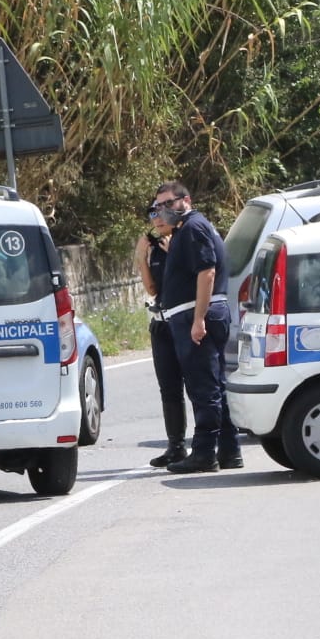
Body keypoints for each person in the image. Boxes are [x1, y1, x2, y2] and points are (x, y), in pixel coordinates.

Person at [153, 181, 241, 473]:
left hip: (197, 314)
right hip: (198, 313)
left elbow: (207, 272)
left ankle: (204, 453)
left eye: (169, 203)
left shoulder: (192, 227)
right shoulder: (190, 228)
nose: (163, 210)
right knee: (214, 386)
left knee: (203, 389)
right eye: (159, 206)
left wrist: (199, 318)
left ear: (186, 200)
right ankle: (229, 450)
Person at [135, 187, 189, 467]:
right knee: (169, 388)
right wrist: (141, 258)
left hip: (185, 322)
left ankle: (210, 444)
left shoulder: (185, 241)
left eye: (160, 212)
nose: (156, 219)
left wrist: (175, 254)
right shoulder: (156, 248)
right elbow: (153, 289)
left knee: (199, 386)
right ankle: (175, 446)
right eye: (152, 214)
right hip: (162, 322)